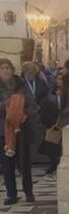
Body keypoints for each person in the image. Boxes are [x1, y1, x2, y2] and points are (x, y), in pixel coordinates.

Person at [0, 59, 34, 203]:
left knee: (24, 163)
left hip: (21, 129)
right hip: (4, 130)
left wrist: (25, 113)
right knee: (7, 164)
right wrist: (9, 105)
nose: (5, 71)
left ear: (13, 70)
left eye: (7, 68)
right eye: (2, 68)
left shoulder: (22, 84)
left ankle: (28, 191)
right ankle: (11, 194)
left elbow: (32, 104)